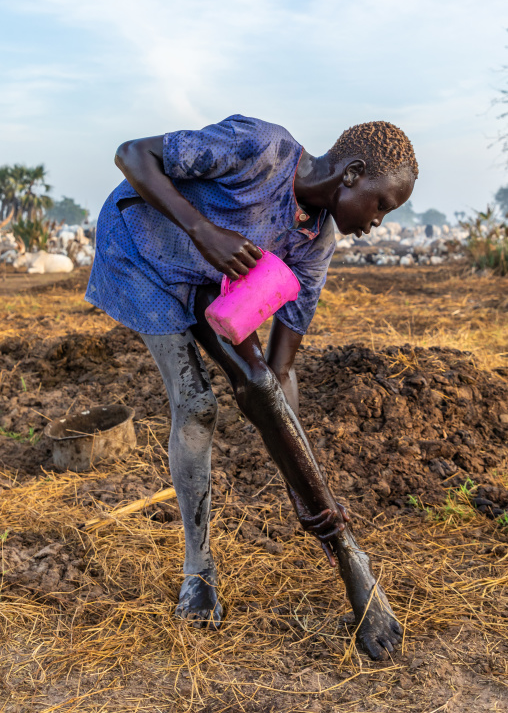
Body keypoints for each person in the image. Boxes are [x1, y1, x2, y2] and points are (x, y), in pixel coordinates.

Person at [85, 115, 417, 659]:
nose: (378, 222)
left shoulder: (316, 242)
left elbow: (278, 373)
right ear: (352, 173)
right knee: (195, 405)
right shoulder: (262, 150)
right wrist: (204, 230)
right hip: (142, 249)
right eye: (381, 204)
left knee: (259, 385)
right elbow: (131, 153)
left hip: (205, 280)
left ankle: (344, 549)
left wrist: (300, 467)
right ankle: (199, 572)